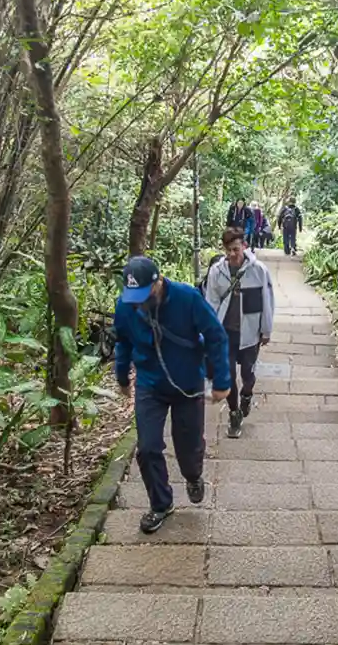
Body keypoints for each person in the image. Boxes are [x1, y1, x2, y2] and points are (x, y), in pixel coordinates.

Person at [113, 255, 231, 534]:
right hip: (149, 385)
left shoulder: (187, 297)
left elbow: (216, 335)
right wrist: (121, 377)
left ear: (159, 282)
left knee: (188, 446)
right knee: (148, 447)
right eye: (134, 296)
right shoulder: (125, 306)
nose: (139, 301)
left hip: (187, 383)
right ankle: (160, 504)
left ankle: (193, 476)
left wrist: (222, 380)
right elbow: (123, 341)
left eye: (144, 294)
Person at [202, 227, 275, 438]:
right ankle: (234, 413)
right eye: (229, 250)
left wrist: (266, 329)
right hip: (226, 332)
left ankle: (247, 394)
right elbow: (211, 301)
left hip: (250, 331)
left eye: (236, 249)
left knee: (248, 374)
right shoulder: (217, 271)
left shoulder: (258, 270)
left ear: (244, 246)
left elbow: (267, 301)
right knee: (229, 375)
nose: (233, 254)